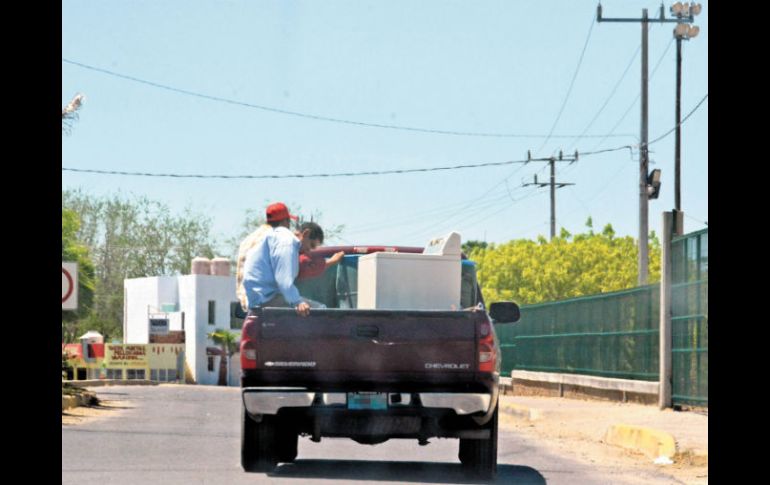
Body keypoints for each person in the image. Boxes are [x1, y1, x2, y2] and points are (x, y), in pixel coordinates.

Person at [241, 203, 325, 317]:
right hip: (267, 298)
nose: (310, 250)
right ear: (306, 233)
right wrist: (297, 302)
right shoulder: (286, 241)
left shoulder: (270, 238)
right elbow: (284, 281)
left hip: (258, 298)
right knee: (321, 310)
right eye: (312, 245)